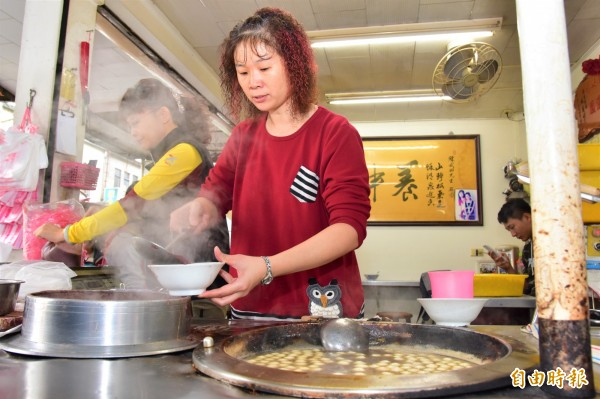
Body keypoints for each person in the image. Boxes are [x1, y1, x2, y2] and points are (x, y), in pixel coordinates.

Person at [169, 7, 371, 320]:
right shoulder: (243, 136)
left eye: (264, 67)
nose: (253, 82)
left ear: (295, 64)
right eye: (243, 72)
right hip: (252, 306)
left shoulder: (335, 133)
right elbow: (216, 193)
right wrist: (201, 208)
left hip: (320, 308)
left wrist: (266, 266)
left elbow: (348, 230)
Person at [35, 78, 229, 289]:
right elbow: (151, 209)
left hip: (198, 274)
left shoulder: (184, 152)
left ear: (163, 115)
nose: (133, 132)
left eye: (136, 122)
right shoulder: (173, 153)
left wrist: (65, 234)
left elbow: (130, 205)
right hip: (185, 272)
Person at [488, 198, 534, 295]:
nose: (513, 234)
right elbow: (527, 289)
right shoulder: (527, 249)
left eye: (512, 227)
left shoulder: (552, 243)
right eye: (509, 230)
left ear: (527, 217)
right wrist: (508, 268)